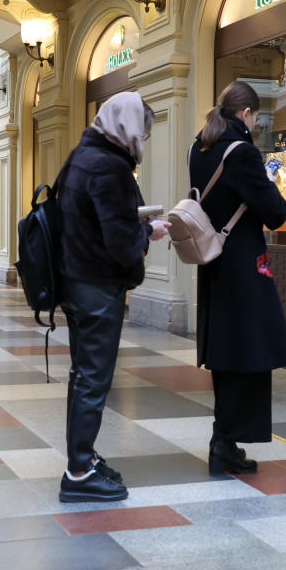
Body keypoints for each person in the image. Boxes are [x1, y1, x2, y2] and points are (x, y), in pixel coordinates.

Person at [57, 91, 170, 502]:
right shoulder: (110, 167)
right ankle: (79, 472)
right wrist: (148, 232)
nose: (145, 137)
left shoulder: (81, 157)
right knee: (93, 379)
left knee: (82, 375)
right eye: (145, 129)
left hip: (75, 280)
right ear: (127, 126)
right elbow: (121, 244)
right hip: (98, 287)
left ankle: (82, 458)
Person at [188, 80, 286, 476]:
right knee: (249, 353)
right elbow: (276, 213)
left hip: (212, 263)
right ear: (247, 114)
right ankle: (225, 441)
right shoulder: (242, 152)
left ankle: (224, 440)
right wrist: (270, 181)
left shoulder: (198, 149)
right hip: (243, 266)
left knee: (225, 355)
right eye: (256, 117)